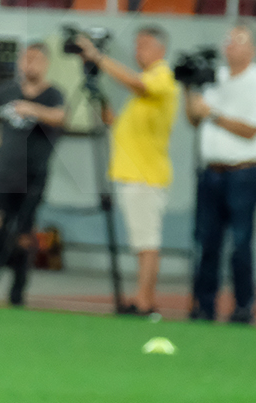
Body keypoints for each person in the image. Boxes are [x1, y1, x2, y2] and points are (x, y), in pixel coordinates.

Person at [72, 26, 179, 316]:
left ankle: (145, 302)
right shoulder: (142, 93)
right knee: (141, 242)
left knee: (147, 243)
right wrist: (99, 97)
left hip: (146, 175)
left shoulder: (162, 77)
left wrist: (98, 58)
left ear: (160, 49)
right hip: (133, 173)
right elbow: (116, 123)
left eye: (144, 45)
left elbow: (136, 83)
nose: (138, 51)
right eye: (136, 45)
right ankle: (141, 298)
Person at [185, 25, 256, 324]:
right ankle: (204, 305)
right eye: (228, 40)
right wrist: (190, 89)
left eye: (238, 41)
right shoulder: (214, 79)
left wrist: (213, 113)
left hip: (243, 172)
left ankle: (242, 306)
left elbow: (251, 130)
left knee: (240, 242)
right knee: (206, 241)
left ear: (253, 48)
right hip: (211, 171)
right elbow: (194, 119)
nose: (230, 46)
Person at [0, 43, 66, 307]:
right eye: (26, 59)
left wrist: (32, 109)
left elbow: (59, 117)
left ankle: (17, 295)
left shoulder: (53, 95)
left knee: (23, 235)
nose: (29, 64)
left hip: (33, 176)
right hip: (3, 174)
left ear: (45, 63)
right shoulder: (7, 90)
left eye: (35, 59)